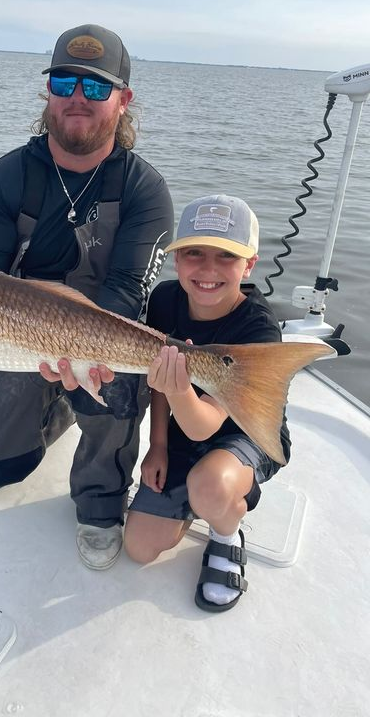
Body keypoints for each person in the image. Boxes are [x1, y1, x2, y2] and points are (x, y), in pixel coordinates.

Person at [0, 24, 174, 570]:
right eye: (64, 82)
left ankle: (100, 498)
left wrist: (79, 359)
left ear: (123, 100)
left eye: (95, 88)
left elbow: (125, 292)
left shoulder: (144, 189)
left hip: (103, 340)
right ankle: (54, 414)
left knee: (114, 392)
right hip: (14, 336)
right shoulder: (5, 179)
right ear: (47, 92)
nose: (77, 98)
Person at [124, 194, 290, 611]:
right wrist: (157, 445)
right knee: (139, 548)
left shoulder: (257, 328)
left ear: (249, 264)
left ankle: (225, 531)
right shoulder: (164, 300)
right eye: (194, 253)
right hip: (182, 433)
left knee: (211, 485)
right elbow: (160, 385)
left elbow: (206, 425)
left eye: (226, 256)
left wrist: (181, 390)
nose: (208, 269)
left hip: (245, 433)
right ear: (175, 260)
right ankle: (196, 503)